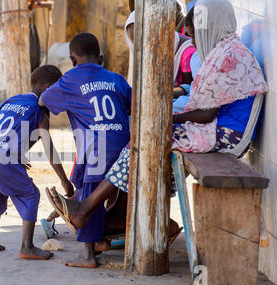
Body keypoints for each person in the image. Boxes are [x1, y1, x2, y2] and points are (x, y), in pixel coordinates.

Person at [46, 0, 268, 258]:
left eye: (195, 36)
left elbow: (207, 113)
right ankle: (119, 215)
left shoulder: (227, 56)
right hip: (220, 129)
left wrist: (163, 117)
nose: (193, 43)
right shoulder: (226, 50)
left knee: (146, 138)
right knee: (146, 139)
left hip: (226, 136)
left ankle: (88, 209)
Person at [39, 33, 132, 268]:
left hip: (97, 152)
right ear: (101, 58)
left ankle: (88, 254)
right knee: (84, 176)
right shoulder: (117, 79)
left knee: (87, 187)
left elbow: (44, 100)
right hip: (124, 147)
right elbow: (133, 105)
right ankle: (102, 240)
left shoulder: (70, 80)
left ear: (72, 60)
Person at [0, 65, 74, 260]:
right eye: (57, 90)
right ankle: (27, 246)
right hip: (2, 155)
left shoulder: (12, 100)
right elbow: (50, 150)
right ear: (48, 87)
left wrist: (15, 154)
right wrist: (64, 181)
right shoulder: (39, 111)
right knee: (31, 194)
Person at [124, 10, 195, 90]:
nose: (144, 50)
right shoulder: (150, 54)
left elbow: (189, 90)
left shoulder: (188, 52)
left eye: (146, 42)